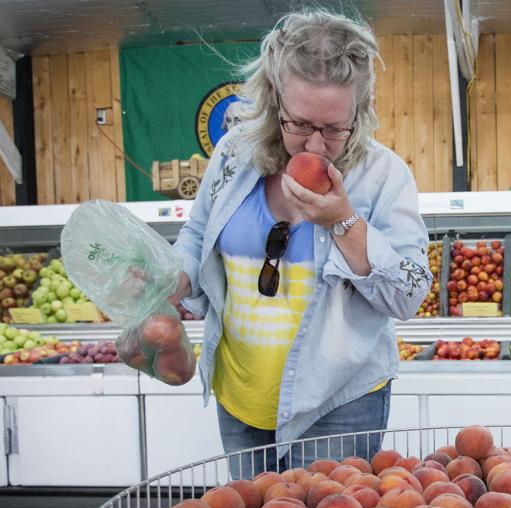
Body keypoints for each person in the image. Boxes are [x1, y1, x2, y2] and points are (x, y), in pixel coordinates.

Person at [170, 9, 430, 478]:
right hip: (240, 398)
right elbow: (196, 232)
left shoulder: (383, 175)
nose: (315, 146)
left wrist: (343, 222)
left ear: (360, 109)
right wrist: (175, 276)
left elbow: (409, 293)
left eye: (334, 129)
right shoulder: (234, 154)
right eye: (300, 124)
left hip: (338, 403)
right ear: (273, 99)